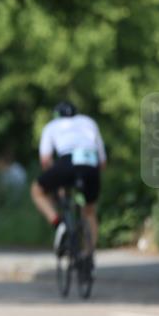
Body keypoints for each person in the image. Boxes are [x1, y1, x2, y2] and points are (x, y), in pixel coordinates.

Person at [30, 101, 106, 259]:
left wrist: (57, 184)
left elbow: (45, 160)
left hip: (67, 162)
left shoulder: (51, 126)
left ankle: (58, 223)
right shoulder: (89, 122)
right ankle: (89, 254)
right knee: (90, 210)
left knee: (37, 190)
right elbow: (102, 161)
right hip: (90, 163)